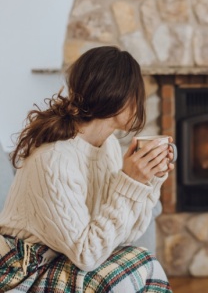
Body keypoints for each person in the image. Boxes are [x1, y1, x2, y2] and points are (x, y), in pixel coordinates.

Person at [0, 46, 173, 292]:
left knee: (142, 260)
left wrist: (148, 180)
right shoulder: (55, 159)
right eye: (136, 93)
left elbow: (126, 234)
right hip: (24, 266)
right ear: (117, 94)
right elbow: (87, 255)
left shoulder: (109, 146)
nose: (139, 102)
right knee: (122, 275)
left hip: (64, 257)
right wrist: (129, 182)